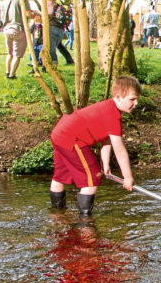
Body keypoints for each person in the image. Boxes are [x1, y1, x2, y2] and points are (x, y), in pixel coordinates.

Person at [49, 75, 141, 215]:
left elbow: (106, 140)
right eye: (132, 99)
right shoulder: (112, 116)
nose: (136, 103)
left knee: (60, 175)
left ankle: (57, 216)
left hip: (59, 133)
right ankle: (85, 223)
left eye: (137, 99)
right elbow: (120, 151)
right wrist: (127, 177)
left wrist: (105, 164)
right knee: (91, 179)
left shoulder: (109, 108)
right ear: (118, 97)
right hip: (72, 139)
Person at [2, 0, 37, 79]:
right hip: (18, 29)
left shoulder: (5, 0)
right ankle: (12, 75)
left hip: (7, 28)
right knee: (17, 55)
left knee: (9, 53)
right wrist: (34, 14)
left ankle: (7, 72)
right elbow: (28, 14)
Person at [45, 0, 65, 67]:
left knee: (51, 49)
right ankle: (47, 66)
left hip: (51, 28)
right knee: (53, 49)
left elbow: (47, 16)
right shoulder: (58, 5)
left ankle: (54, 67)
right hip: (60, 30)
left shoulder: (47, 5)